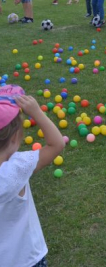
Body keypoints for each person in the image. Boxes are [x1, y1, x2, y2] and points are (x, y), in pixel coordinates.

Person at [0, 86, 65, 267]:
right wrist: (37, 112)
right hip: (26, 259)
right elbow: (56, 144)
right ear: (15, 137)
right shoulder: (17, 168)